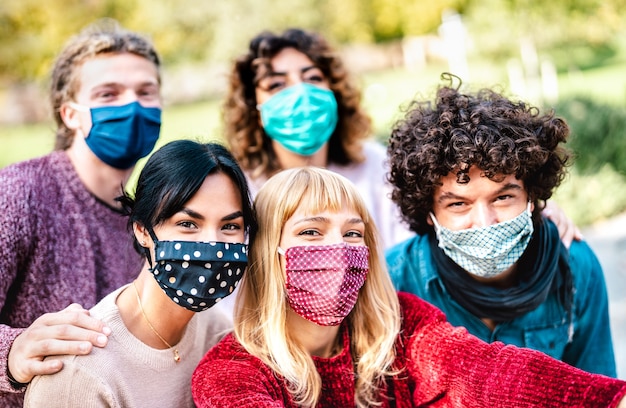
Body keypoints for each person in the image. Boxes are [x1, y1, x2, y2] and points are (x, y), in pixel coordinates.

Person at [191, 166, 626, 407]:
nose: (338, 250)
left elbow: (486, 370)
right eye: (310, 232)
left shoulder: (400, 326)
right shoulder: (230, 373)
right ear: (269, 251)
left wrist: (608, 399)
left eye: (353, 233)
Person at [385, 80, 616, 376]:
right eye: (458, 204)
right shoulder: (395, 279)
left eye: (503, 197)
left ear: (532, 197)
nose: (484, 222)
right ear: (428, 213)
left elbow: (601, 389)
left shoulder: (575, 266)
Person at [0, 20, 161, 406]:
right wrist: (11, 353)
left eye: (145, 91)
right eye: (108, 94)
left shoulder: (153, 217)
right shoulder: (19, 194)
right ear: (71, 114)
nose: (132, 106)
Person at [24, 140, 255, 407]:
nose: (212, 244)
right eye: (188, 224)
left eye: (229, 226)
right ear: (142, 230)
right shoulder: (78, 375)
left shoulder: (219, 334)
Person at [223, 27, 412, 249]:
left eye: (313, 77)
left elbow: (406, 253)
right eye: (276, 85)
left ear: (335, 92)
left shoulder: (375, 165)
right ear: (255, 111)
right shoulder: (239, 188)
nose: (301, 92)